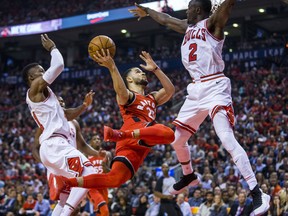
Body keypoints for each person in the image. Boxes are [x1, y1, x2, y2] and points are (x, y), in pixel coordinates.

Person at [129, 1, 270, 215]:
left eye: (189, 7)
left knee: (226, 138)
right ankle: (188, 175)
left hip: (214, 85)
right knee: (177, 140)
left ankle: (257, 191)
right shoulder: (188, 27)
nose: (186, 10)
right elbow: (165, 20)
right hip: (195, 89)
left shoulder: (212, 25)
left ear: (197, 9)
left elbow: (226, 8)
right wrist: (147, 11)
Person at [57, 49, 175, 192]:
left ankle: (68, 182)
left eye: (142, 71)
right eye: (137, 71)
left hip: (139, 143)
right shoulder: (128, 96)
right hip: (132, 133)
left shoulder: (152, 98)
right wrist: (112, 67)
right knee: (169, 134)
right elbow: (120, 90)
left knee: (115, 179)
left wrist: (155, 69)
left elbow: (170, 90)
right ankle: (121, 134)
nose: (142, 73)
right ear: (129, 80)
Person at [22, 34, 104, 216]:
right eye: (40, 71)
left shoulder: (47, 95)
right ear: (31, 77)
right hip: (54, 145)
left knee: (66, 196)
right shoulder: (35, 89)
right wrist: (52, 48)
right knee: (89, 171)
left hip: (55, 147)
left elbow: (66, 114)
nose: (44, 72)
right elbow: (58, 66)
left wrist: (83, 106)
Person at [33, 95, 109, 216]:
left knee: (64, 201)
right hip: (58, 160)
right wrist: (47, 163)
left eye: (63, 100)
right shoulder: (47, 122)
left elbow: (83, 145)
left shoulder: (74, 123)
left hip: (71, 162)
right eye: (58, 101)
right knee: (86, 178)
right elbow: (34, 148)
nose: (61, 102)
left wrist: (97, 153)